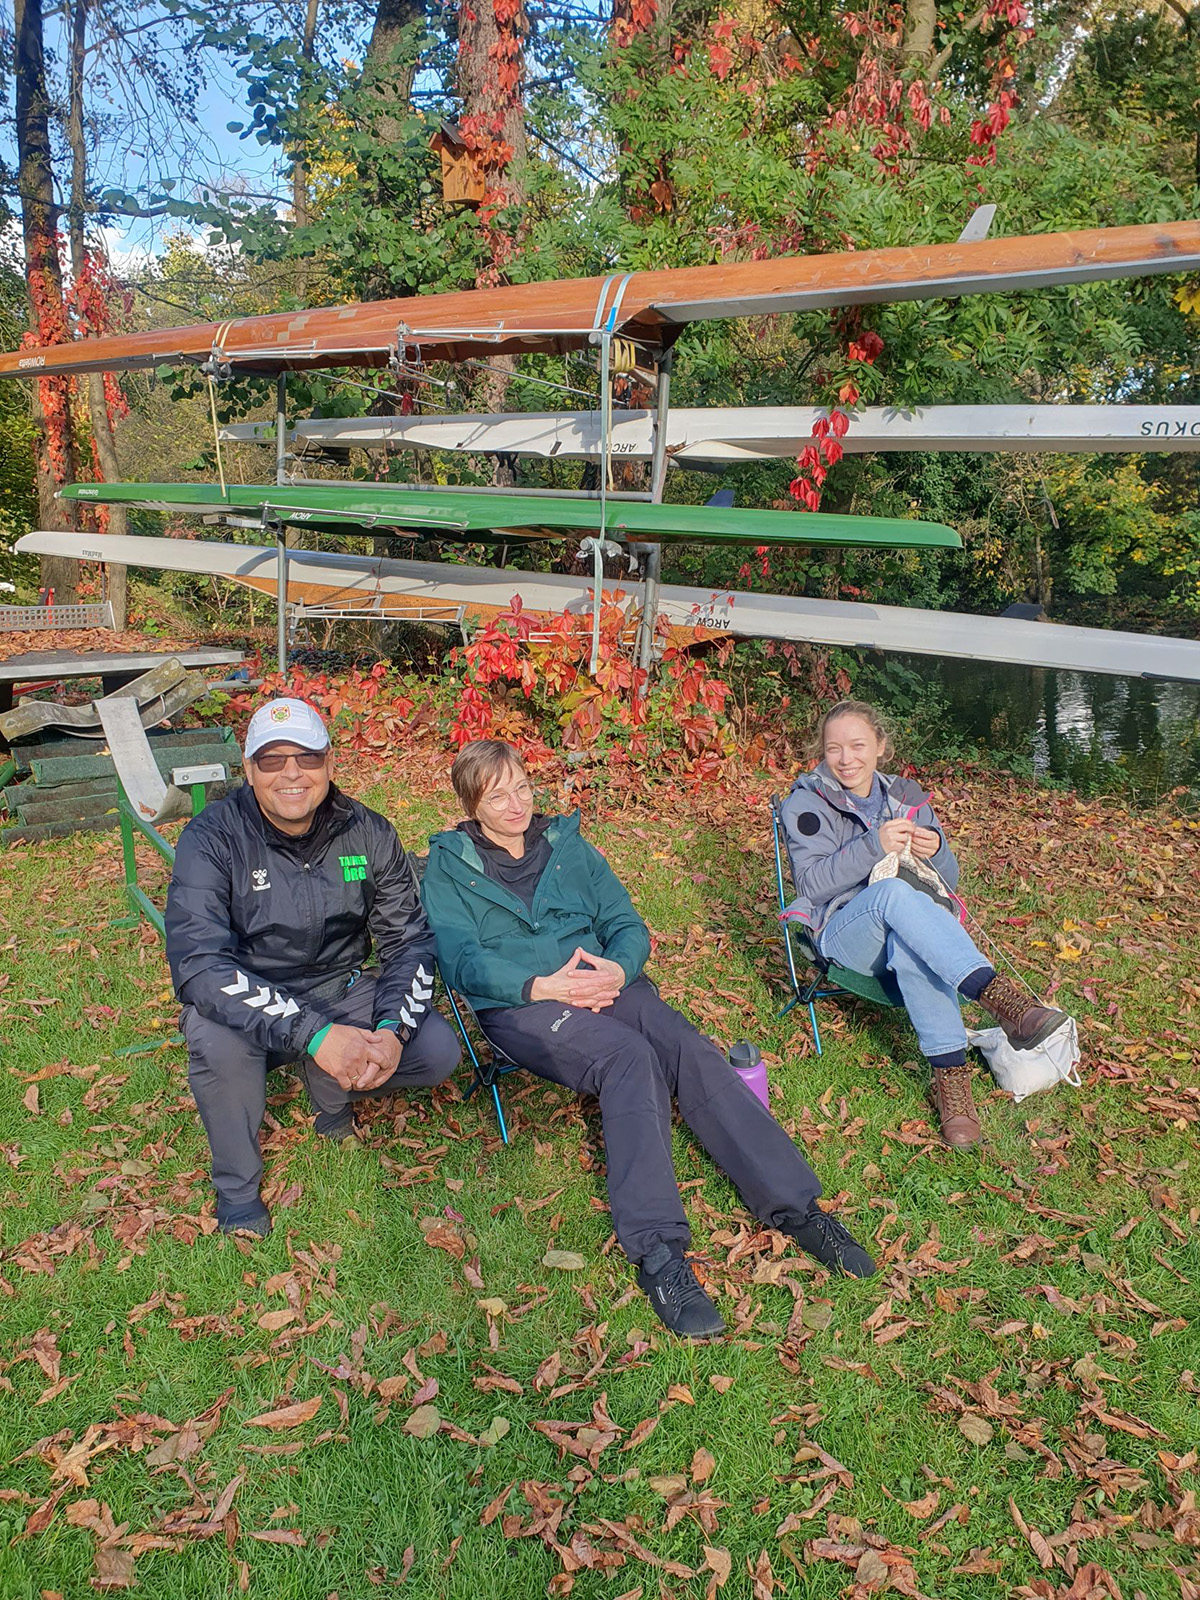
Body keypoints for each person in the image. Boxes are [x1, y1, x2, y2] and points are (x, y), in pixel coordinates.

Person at [421, 739, 876, 1342]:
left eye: (523, 787)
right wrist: (539, 986)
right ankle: (659, 1253)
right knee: (628, 1058)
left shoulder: (567, 844)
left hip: (602, 982)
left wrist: (618, 968)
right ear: (471, 804)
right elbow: (458, 958)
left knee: (687, 1046)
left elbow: (625, 923)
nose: (517, 805)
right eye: (498, 796)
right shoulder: (449, 866)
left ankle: (796, 1207)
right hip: (525, 1002)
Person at [165, 698, 460, 1235]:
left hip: (338, 986)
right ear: (249, 769)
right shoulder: (211, 838)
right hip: (247, 993)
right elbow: (200, 966)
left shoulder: (368, 831)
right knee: (215, 1044)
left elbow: (409, 942)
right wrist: (317, 1035)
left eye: (307, 757)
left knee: (436, 1049)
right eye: (272, 760)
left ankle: (329, 1082)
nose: (292, 773)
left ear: (329, 763)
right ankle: (237, 1188)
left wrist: (392, 1030)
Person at [780, 699, 1068, 1148]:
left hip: (905, 929)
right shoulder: (806, 802)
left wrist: (937, 850)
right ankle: (1003, 1003)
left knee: (911, 943)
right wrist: (874, 846)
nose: (846, 758)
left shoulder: (906, 796)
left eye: (858, 745)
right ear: (823, 751)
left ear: (880, 746)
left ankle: (954, 1089)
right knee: (894, 894)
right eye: (834, 748)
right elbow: (812, 885)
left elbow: (946, 882)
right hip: (843, 933)